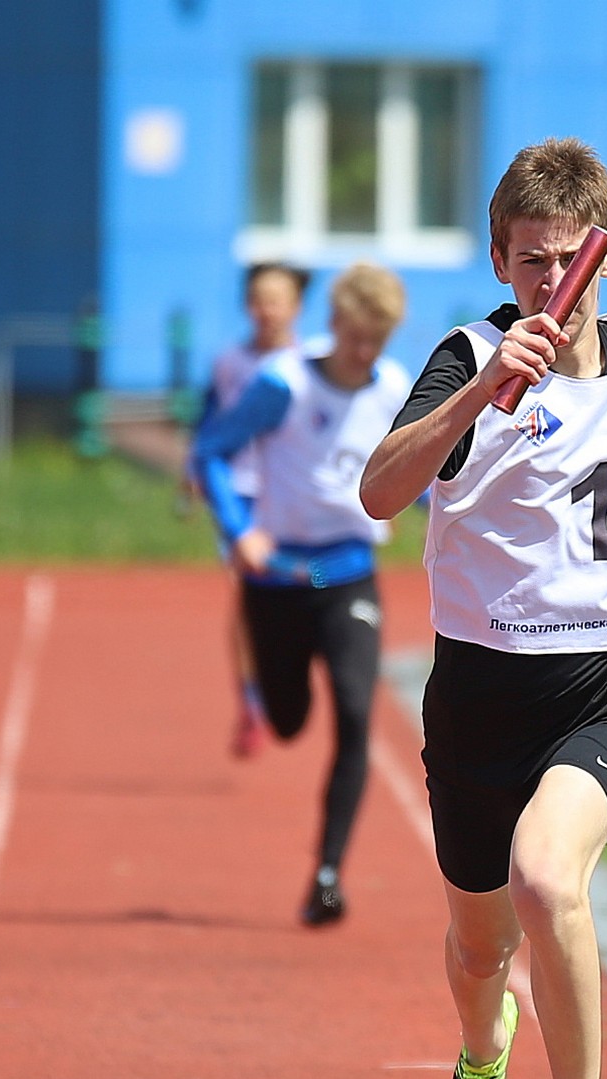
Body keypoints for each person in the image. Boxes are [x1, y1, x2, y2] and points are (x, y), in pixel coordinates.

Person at [359, 139, 607, 1079]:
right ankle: (480, 1053)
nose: (550, 283)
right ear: (500, 263)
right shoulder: (465, 357)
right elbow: (379, 490)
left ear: (602, 257)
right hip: (479, 697)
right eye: (528, 263)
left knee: (551, 882)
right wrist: (484, 398)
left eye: (566, 260)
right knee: (478, 948)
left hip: (603, 691)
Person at [190, 262, 411, 927]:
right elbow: (210, 451)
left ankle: (327, 873)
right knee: (289, 721)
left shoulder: (396, 387)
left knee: (354, 712)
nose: (364, 353)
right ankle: (276, 697)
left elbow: (427, 471)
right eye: (354, 338)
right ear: (333, 324)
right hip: (284, 577)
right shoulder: (282, 383)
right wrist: (238, 531)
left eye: (377, 340)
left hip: (345, 575)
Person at [203, 262, 311, 760]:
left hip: (291, 494)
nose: (267, 310)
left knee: (303, 589)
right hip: (242, 497)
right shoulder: (229, 363)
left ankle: (292, 664)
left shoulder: (312, 363)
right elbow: (211, 427)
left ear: (295, 307)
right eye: (259, 299)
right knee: (243, 598)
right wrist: (195, 468)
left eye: (277, 299)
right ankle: (250, 701)